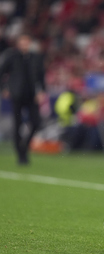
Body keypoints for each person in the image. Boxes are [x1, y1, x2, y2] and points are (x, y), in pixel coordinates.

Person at [0, 33, 46, 164]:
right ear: (18, 43)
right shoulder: (12, 57)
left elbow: (41, 76)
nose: (24, 44)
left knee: (36, 122)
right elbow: (2, 72)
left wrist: (41, 91)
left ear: (30, 43)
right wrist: (4, 88)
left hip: (31, 95)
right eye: (22, 42)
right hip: (17, 95)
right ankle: (21, 155)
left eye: (26, 42)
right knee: (17, 125)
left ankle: (24, 147)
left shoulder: (35, 57)